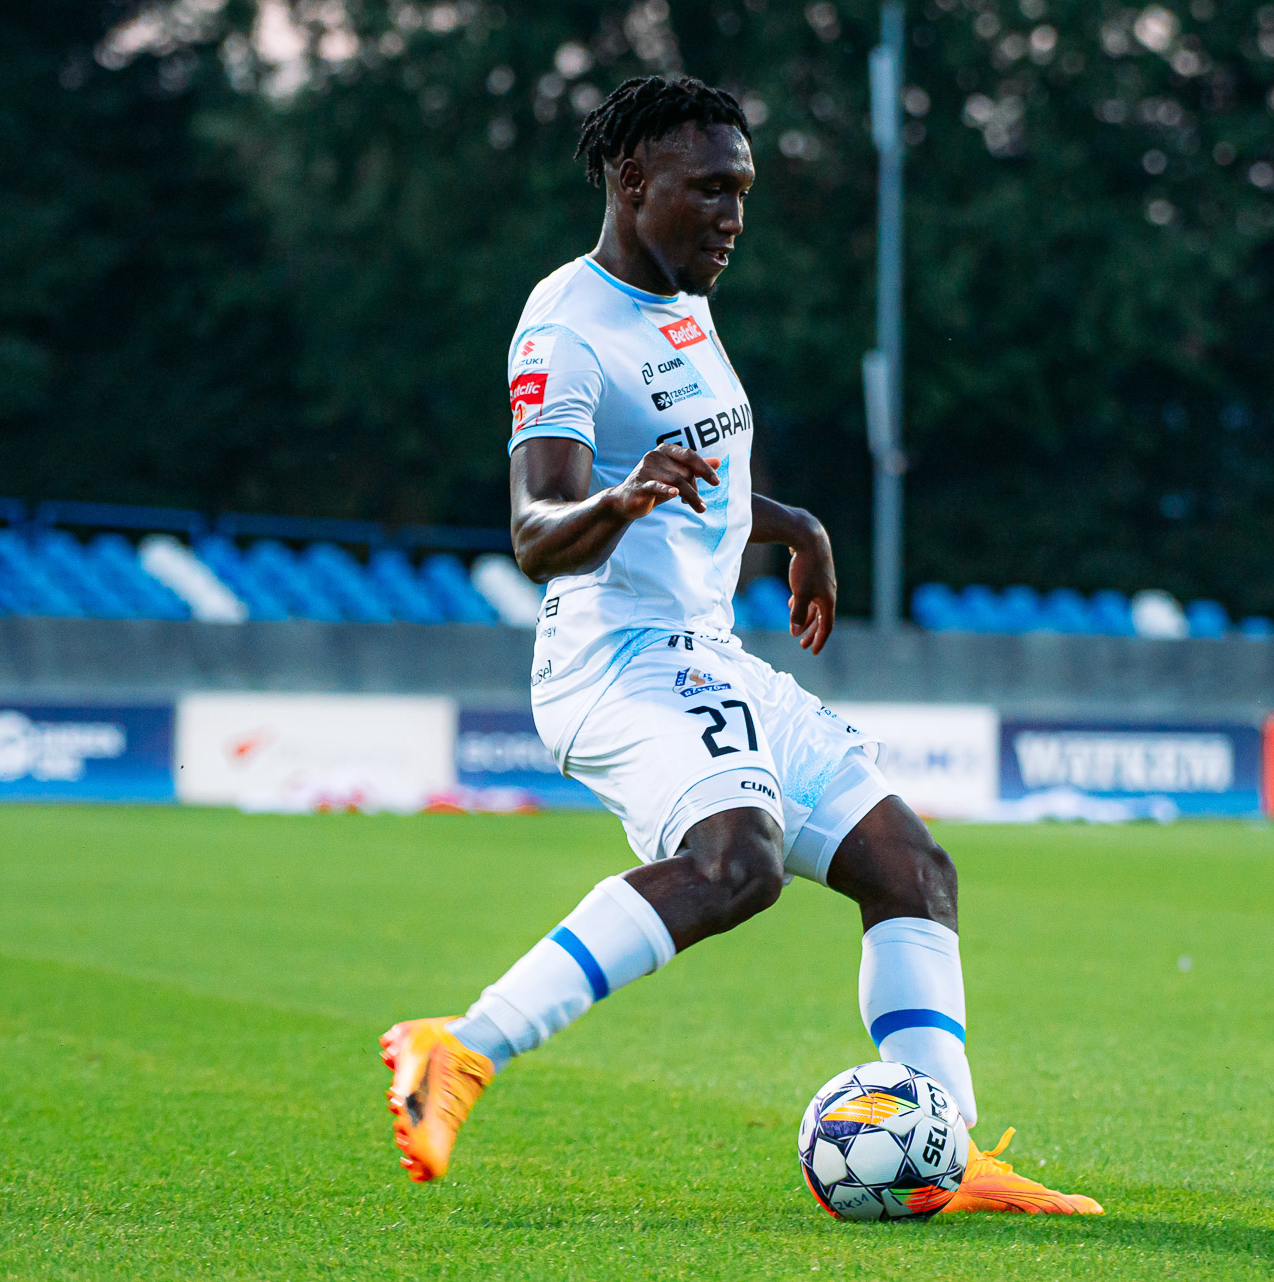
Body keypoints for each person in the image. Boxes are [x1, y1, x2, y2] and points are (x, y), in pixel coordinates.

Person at [380, 73, 1099, 1216]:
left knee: (911, 870)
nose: (733, 217)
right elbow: (534, 533)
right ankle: (460, 1046)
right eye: (710, 190)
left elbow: (700, 481)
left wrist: (796, 525)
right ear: (633, 182)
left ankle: (947, 1155)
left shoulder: (682, 297)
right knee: (739, 863)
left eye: (743, 192)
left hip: (704, 652)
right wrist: (619, 500)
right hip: (615, 662)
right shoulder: (567, 328)